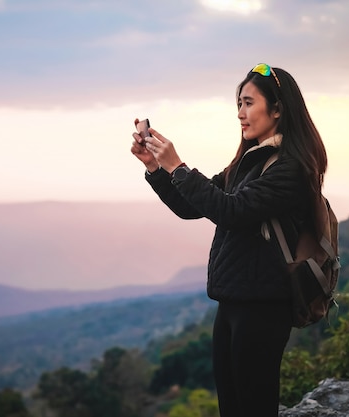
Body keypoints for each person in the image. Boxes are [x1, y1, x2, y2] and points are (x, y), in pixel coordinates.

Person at [130, 63, 328, 416]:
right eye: (238, 104)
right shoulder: (249, 161)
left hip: (264, 306)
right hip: (234, 301)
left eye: (249, 103)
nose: (240, 113)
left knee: (253, 407)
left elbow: (231, 211)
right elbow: (195, 207)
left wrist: (179, 167)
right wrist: (156, 168)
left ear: (278, 108)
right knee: (232, 407)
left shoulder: (291, 168)